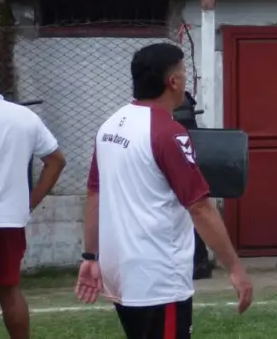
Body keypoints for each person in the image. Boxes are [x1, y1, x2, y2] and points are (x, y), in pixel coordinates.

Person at [75, 43, 252, 338]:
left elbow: (95, 193)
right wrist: (234, 267)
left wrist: (90, 256)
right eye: (183, 72)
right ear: (173, 81)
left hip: (120, 272)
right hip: (157, 278)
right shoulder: (168, 133)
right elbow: (199, 207)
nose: (185, 78)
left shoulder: (109, 126)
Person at [0, 62, 67, 339]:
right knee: (9, 289)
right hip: (11, 219)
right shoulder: (25, 117)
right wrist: (30, 201)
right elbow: (56, 161)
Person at [171, 91, 213, 280]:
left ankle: (200, 261)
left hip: (183, 166)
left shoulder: (180, 98)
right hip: (171, 166)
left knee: (192, 211)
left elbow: (185, 134)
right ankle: (197, 261)